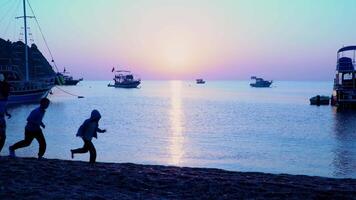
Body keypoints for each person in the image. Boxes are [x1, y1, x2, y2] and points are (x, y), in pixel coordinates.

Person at [0, 73, 11, 154]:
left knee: (3, 137)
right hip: (0, 119)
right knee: (3, 137)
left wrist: (6, 113)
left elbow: (4, 106)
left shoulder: (5, 98)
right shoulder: (4, 97)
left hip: (2, 118)